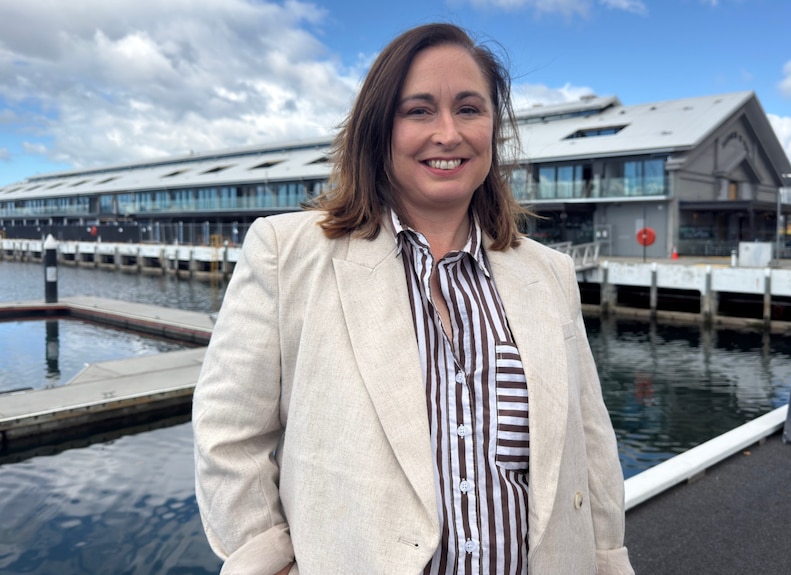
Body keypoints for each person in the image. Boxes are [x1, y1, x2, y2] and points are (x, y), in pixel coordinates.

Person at [193, 22, 634, 575]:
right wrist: (267, 564)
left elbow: (592, 448)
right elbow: (228, 433)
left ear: (493, 129)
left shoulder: (549, 274)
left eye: (469, 109)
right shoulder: (288, 254)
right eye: (419, 110)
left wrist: (609, 562)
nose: (448, 133)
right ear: (379, 130)